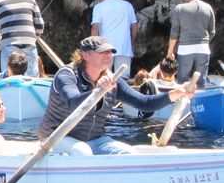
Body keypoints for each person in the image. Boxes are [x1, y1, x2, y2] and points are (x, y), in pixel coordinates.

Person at [40, 36, 195, 156]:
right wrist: (98, 91)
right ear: (85, 55)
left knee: (128, 153)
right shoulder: (66, 75)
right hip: (56, 137)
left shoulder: (113, 80)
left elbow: (144, 103)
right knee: (82, 151)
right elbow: (73, 102)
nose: (109, 55)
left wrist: (176, 93)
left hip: (95, 139)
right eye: (103, 52)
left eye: (110, 52)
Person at [0, 0, 44, 77]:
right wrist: (33, 39)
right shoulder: (31, 1)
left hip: (9, 46)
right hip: (29, 44)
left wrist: (0, 41)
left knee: (8, 79)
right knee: (32, 78)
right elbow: (40, 26)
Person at [166, 0, 216, 83]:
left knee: (182, 81)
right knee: (201, 81)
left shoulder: (180, 8)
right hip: (203, 49)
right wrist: (203, 42)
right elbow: (212, 31)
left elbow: (174, 33)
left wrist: (170, 52)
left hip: (185, 49)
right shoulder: (208, 8)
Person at [90, 0, 138, 74]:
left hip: (106, 47)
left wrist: (93, 47)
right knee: (123, 77)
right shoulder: (127, 5)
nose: (99, 0)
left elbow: (95, 28)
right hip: (125, 47)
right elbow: (134, 26)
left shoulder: (98, 7)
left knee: (104, 76)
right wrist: (132, 43)